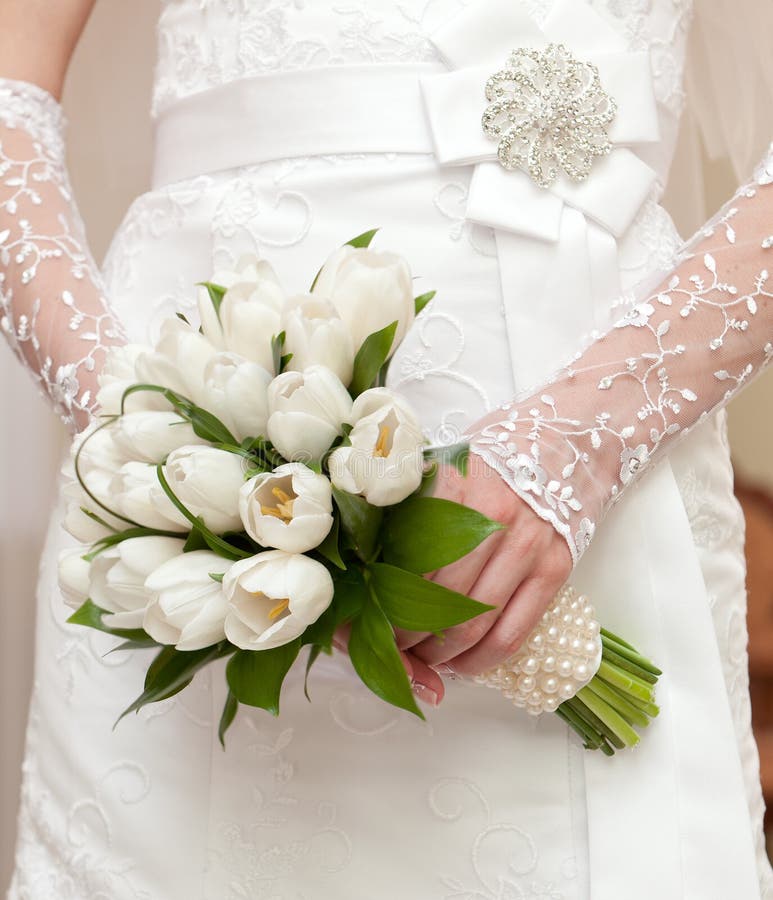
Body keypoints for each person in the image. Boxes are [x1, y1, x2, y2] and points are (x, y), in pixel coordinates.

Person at [2, 0, 772, 897]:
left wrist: (576, 440)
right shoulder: (151, 437)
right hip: (179, 448)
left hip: (598, 401)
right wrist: (134, 422)